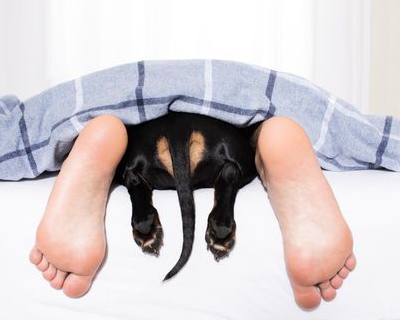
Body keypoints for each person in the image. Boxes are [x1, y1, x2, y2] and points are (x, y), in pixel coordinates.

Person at [29, 113, 355, 310]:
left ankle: (125, 173)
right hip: (221, 145)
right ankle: (260, 149)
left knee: (131, 150)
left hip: (145, 148)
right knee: (256, 137)